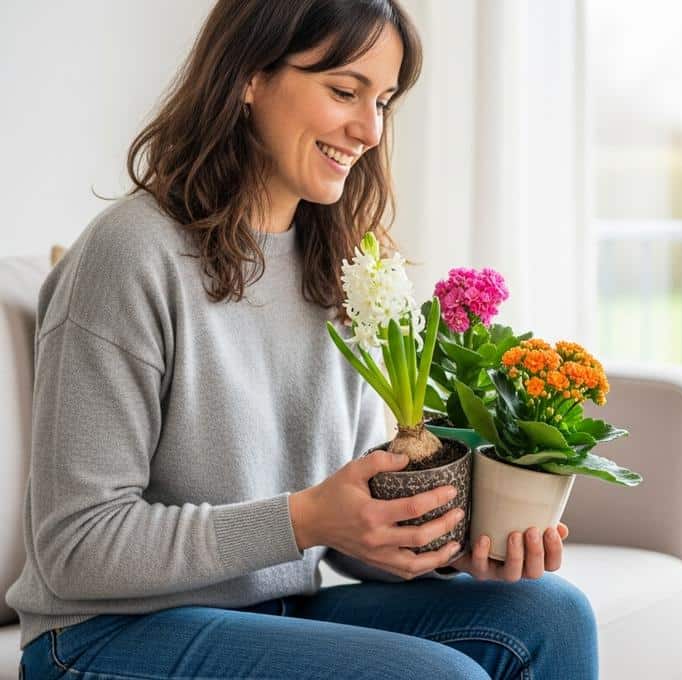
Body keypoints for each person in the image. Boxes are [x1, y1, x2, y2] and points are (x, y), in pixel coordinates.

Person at [4, 1, 599, 678]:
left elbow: (340, 530)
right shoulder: (130, 254)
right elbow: (75, 547)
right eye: (344, 91)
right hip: (101, 636)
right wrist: (304, 520)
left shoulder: (341, 265)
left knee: (551, 613)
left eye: (383, 101)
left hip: (272, 609)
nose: (369, 130)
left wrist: (439, 543)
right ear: (248, 76)